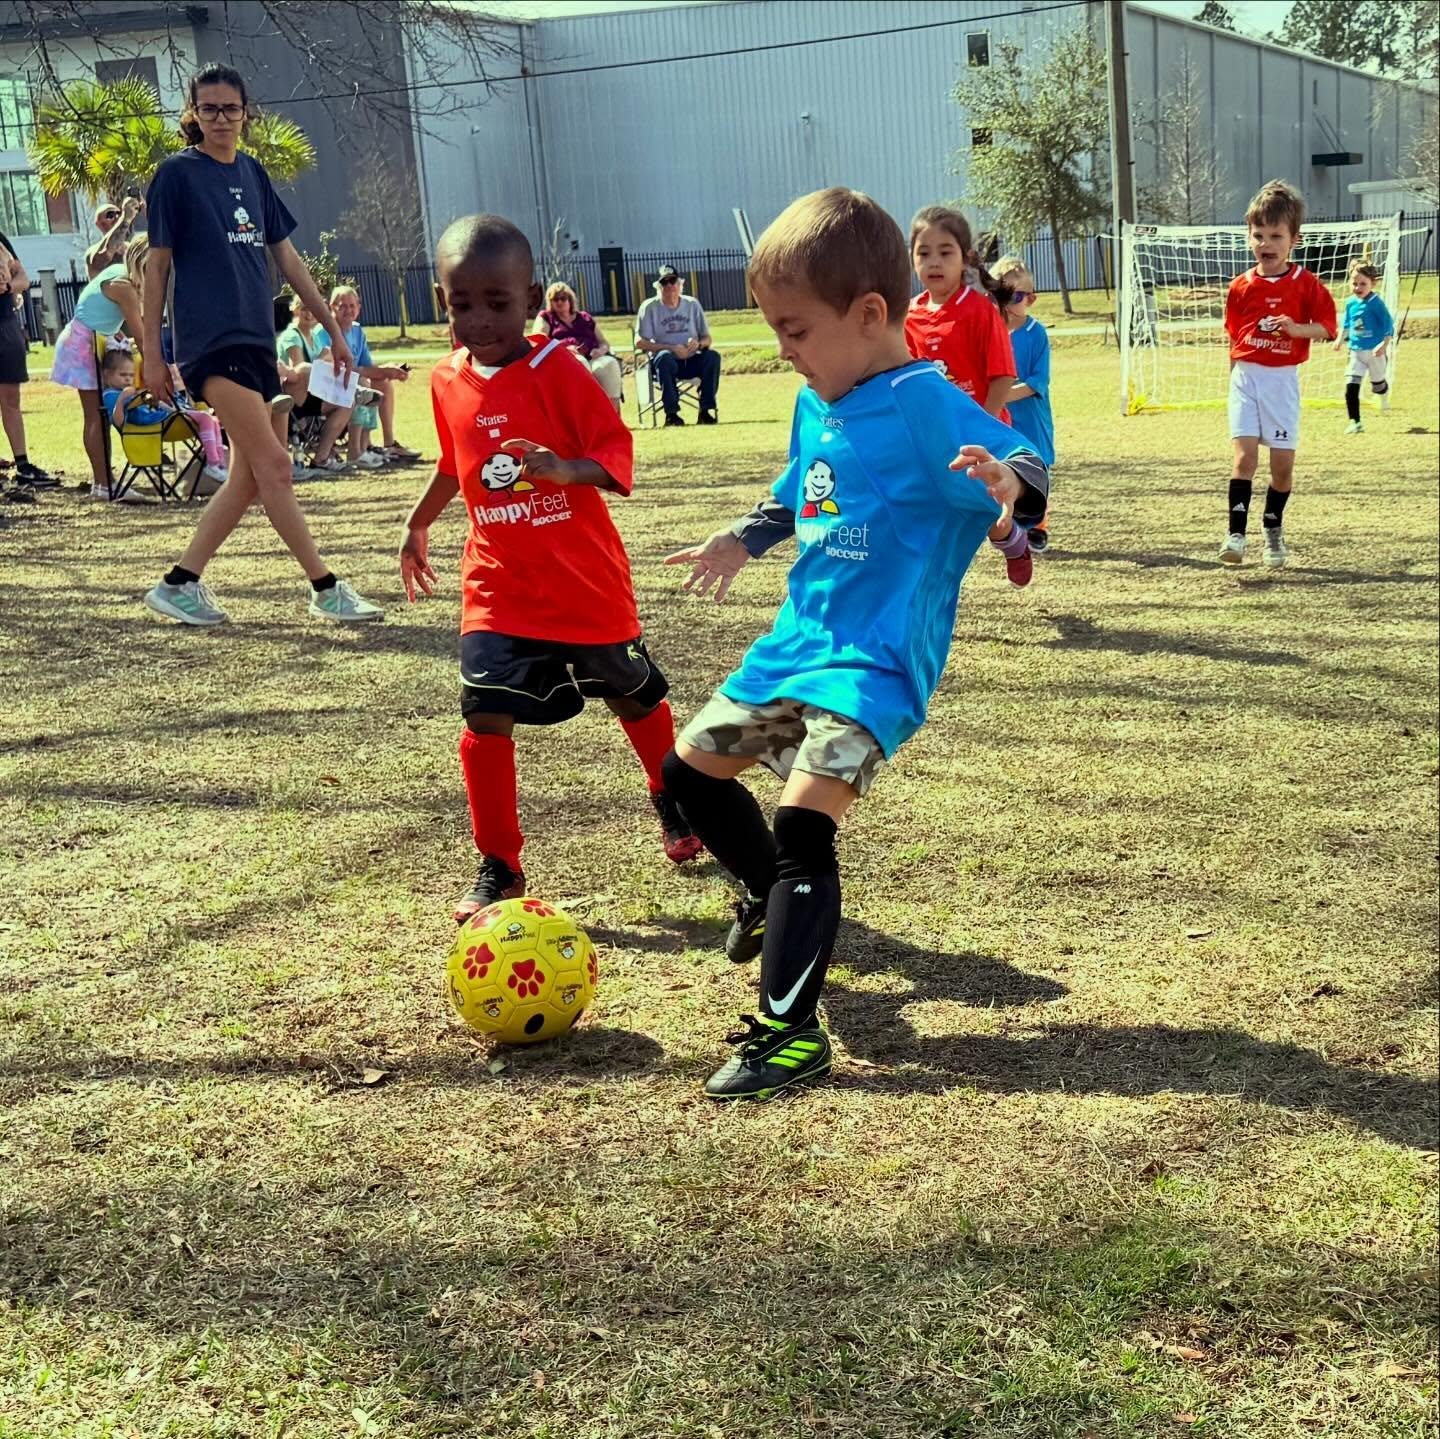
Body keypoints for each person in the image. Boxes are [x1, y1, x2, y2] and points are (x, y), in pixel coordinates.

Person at [658, 188, 1048, 1101]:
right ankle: (764, 893)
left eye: (795, 331)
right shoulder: (816, 401)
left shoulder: (920, 403)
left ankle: (789, 1035)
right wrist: (741, 540)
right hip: (796, 645)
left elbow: (1026, 464)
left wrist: (1007, 487)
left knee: (801, 824)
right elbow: (800, 488)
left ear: (870, 315)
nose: (783, 351)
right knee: (687, 777)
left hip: (875, 665)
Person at [398, 214, 702, 923]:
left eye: (496, 302)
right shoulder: (445, 379)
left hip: (581, 582)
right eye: (460, 303)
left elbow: (613, 448)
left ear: (531, 298)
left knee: (633, 698)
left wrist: (566, 469)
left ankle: (673, 796)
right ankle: (499, 864)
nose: (478, 320)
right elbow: (456, 462)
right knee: (483, 712)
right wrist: (418, 520)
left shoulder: (556, 368)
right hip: (497, 583)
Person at [140, 62, 383, 626]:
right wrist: (153, 353)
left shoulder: (252, 173)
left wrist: (336, 333)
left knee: (251, 476)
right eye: (208, 109)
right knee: (275, 464)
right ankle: (325, 586)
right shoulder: (176, 175)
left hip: (256, 342)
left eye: (230, 108)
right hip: (209, 342)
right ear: (193, 114)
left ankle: (180, 583)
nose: (220, 119)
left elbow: (288, 258)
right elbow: (156, 269)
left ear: (247, 113)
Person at [905, 206, 1032, 588]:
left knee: (987, 514)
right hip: (934, 441)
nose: (934, 262)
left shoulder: (979, 311)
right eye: (923, 253)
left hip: (983, 438)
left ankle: (1013, 542)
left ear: (965, 259)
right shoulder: (909, 315)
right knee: (924, 512)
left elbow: (1003, 374)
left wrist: (983, 426)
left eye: (945, 252)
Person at [1219, 179, 1337, 569]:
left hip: (1282, 380)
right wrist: (1233, 379)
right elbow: (1234, 339)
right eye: (1258, 235)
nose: (1265, 243)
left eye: (1275, 235)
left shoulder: (1306, 285)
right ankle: (1235, 534)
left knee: (1282, 467)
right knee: (1244, 459)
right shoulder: (1240, 287)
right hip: (1246, 379)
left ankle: (1273, 527)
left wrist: (1295, 329)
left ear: (1293, 240)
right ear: (1249, 236)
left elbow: (1327, 327)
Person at [50, 233, 146, 497]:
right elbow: (141, 334)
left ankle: (105, 480)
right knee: (95, 415)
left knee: (99, 414)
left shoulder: (120, 273)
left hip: (90, 339)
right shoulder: (123, 285)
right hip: (82, 345)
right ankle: (103, 483)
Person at [100, 343, 229, 494]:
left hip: (162, 419)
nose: (128, 380)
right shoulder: (110, 396)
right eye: (123, 375)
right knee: (205, 419)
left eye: (131, 375)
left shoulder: (130, 392)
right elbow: (119, 422)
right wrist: (122, 399)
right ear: (107, 375)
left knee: (212, 420)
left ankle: (219, 463)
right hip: (155, 425)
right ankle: (213, 463)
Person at [994, 255, 1056, 551]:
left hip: (1031, 418)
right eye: (1018, 296)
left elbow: (1036, 382)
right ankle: (1010, 525)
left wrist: (1000, 394)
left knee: (1036, 468)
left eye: (1030, 296)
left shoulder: (1036, 334)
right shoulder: (990, 334)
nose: (1025, 303)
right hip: (999, 419)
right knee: (1003, 468)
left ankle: (1037, 526)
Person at [330, 286, 415, 467]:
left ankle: (388, 443)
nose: (348, 310)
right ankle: (357, 449)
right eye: (342, 306)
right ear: (332, 307)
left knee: (382, 383)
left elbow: (365, 366)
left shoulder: (357, 330)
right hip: (331, 384)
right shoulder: (326, 331)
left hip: (352, 381)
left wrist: (387, 370)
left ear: (359, 308)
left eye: (352, 306)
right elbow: (339, 370)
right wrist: (381, 371)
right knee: (362, 382)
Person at [0, 229, 54, 487]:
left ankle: (23, 465)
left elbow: (22, 276)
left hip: (5, 325)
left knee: (11, 398)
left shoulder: (1, 240)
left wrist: (9, 285)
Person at [275, 295, 354, 471]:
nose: (309, 313)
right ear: (295, 310)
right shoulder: (291, 336)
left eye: (312, 309)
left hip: (312, 392)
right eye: (304, 309)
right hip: (292, 395)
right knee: (306, 369)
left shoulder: (314, 337)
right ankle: (358, 389)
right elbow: (298, 370)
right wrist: (323, 358)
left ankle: (322, 457)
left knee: (347, 402)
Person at [635, 265, 720, 425]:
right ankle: (671, 414)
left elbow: (707, 338)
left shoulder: (692, 305)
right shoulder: (649, 307)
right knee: (665, 358)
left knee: (712, 357)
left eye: (672, 281)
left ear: (680, 284)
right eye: (664, 283)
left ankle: (706, 410)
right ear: (658, 287)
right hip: (664, 364)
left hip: (691, 359)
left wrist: (698, 345)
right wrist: (670, 348)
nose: (669, 286)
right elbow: (639, 342)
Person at [533, 282, 624, 413]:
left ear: (570, 300)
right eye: (555, 299)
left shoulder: (585, 318)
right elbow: (539, 341)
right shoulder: (546, 318)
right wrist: (563, 349)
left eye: (563, 298)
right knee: (579, 363)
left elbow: (604, 342)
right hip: (561, 360)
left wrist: (601, 350)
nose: (559, 302)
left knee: (609, 364)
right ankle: (586, 415)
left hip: (592, 357)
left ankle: (612, 416)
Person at [1335, 261, 1393, 435]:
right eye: (1354, 283)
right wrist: (1339, 339)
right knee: (1351, 386)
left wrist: (1384, 344)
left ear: (1372, 283)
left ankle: (1382, 394)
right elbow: (1346, 323)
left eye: (1363, 284)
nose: (1358, 287)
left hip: (1375, 353)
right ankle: (1355, 422)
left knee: (1377, 385)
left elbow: (1388, 324)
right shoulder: (1350, 302)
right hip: (1356, 351)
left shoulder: (1376, 303)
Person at [85, 197, 142, 281]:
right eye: (110, 215)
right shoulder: (92, 252)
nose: (117, 217)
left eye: (119, 213)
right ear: (99, 224)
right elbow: (107, 252)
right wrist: (125, 219)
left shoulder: (131, 248)